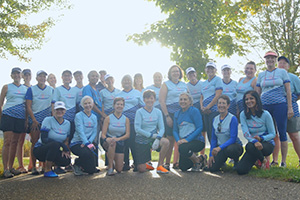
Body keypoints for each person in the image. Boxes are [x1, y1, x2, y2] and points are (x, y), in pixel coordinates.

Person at [256, 51, 293, 168]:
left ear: (275, 60)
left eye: (272, 58)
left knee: (282, 132)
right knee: (269, 133)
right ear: (265, 60)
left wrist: (290, 107)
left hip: (280, 105)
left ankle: (283, 161)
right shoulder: (261, 75)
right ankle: (269, 161)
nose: (270, 60)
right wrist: (257, 107)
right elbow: (257, 92)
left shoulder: (282, 72)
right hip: (265, 107)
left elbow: (288, 90)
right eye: (268, 58)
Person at [236, 91, 275, 175]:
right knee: (240, 170)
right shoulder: (243, 114)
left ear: (256, 99)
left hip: (266, 144)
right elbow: (246, 133)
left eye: (251, 98)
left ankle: (261, 160)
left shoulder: (265, 114)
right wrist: (255, 141)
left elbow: (272, 134)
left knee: (249, 146)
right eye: (246, 99)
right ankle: (262, 160)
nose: (248, 101)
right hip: (253, 146)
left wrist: (261, 139)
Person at [159, 65, 188, 170]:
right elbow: (162, 101)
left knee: (182, 138)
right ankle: (167, 163)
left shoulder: (184, 85)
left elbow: (188, 99)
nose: (176, 73)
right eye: (173, 72)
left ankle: (180, 162)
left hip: (182, 114)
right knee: (170, 139)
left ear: (180, 73)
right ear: (170, 74)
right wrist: (167, 116)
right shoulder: (166, 85)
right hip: (170, 114)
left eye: (177, 71)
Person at [0, 67, 27, 178]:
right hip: (8, 116)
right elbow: (0, 103)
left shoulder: (25, 88)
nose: (16, 75)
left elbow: (27, 104)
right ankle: (5, 168)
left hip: (20, 118)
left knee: (15, 142)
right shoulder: (6, 87)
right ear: (11, 75)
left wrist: (26, 120)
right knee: (7, 141)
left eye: (18, 74)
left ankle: (11, 167)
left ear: (21, 76)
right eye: (14, 74)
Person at [26, 70, 54, 175]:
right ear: (36, 78)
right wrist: (33, 120)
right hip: (35, 121)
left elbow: (52, 106)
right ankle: (33, 167)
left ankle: (43, 166)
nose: (42, 78)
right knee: (34, 142)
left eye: (44, 76)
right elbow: (28, 106)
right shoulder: (31, 89)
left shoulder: (51, 90)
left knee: (45, 143)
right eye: (40, 76)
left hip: (47, 121)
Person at [135, 90, 169, 174]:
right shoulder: (139, 112)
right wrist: (151, 136)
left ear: (154, 99)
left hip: (154, 138)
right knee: (141, 170)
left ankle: (160, 166)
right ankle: (146, 163)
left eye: (151, 98)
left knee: (166, 142)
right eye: (147, 98)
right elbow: (137, 129)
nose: (149, 100)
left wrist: (158, 138)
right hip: (142, 140)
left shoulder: (158, 111)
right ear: (144, 100)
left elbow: (162, 128)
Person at [33, 101, 71, 178]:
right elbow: (44, 139)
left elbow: (66, 139)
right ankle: (47, 170)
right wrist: (61, 145)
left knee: (66, 160)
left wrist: (65, 149)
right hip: (40, 149)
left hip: (54, 149)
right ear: (53, 111)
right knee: (55, 144)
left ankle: (56, 167)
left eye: (62, 109)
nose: (59, 111)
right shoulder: (48, 120)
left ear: (65, 111)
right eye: (57, 109)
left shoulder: (67, 123)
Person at [208, 95, 243, 172]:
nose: (221, 105)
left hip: (233, 146)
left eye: (224, 103)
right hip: (221, 148)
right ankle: (222, 162)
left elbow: (233, 138)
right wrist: (211, 155)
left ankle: (236, 161)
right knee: (212, 168)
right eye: (219, 103)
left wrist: (220, 148)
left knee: (231, 149)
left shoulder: (232, 118)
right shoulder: (215, 119)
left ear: (228, 106)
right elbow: (213, 139)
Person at [276, 56, 300, 166]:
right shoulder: (274, 77)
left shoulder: (293, 77)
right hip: (276, 109)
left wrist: (292, 101)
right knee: (276, 135)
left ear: (288, 66)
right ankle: (276, 161)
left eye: (284, 63)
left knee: (294, 135)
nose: (282, 65)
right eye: (280, 63)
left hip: (292, 109)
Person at [117, 75, 144, 171]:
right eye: (124, 80)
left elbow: (142, 106)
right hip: (122, 123)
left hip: (134, 122)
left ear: (131, 82)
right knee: (125, 143)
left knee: (134, 143)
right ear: (122, 82)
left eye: (128, 80)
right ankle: (125, 164)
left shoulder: (137, 93)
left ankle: (136, 163)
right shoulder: (119, 94)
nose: (126, 82)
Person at [173, 93, 205, 172]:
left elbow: (199, 127)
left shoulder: (194, 111)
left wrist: (187, 139)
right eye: (181, 99)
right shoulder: (177, 114)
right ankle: (201, 158)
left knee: (183, 148)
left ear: (190, 102)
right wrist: (178, 140)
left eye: (185, 99)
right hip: (184, 143)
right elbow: (175, 130)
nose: (182, 101)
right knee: (183, 167)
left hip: (197, 141)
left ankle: (197, 162)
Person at [101, 97, 130, 175]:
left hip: (120, 141)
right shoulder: (108, 118)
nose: (119, 106)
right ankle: (110, 167)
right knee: (112, 143)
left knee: (119, 169)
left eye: (121, 104)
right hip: (108, 141)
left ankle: (112, 158)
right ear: (114, 105)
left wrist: (118, 139)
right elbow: (103, 134)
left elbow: (127, 135)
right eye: (117, 104)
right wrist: (107, 139)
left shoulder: (126, 119)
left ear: (123, 106)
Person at [70, 96, 98, 175]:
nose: (87, 105)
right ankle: (77, 164)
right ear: (82, 105)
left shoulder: (94, 117)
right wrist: (86, 143)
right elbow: (80, 131)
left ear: (92, 104)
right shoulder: (78, 116)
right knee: (85, 152)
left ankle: (86, 166)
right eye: (85, 103)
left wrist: (89, 142)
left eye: (89, 103)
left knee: (91, 171)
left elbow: (94, 132)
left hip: (88, 143)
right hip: (77, 143)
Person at [200, 62, 223, 144]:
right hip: (205, 112)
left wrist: (208, 107)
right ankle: (213, 152)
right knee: (209, 133)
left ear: (215, 70)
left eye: (212, 68)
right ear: (205, 70)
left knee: (215, 133)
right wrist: (202, 107)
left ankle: (218, 153)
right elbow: (202, 96)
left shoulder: (218, 79)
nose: (210, 70)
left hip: (214, 111)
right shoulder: (203, 83)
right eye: (208, 68)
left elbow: (218, 95)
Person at [186, 67, 206, 157]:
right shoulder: (186, 86)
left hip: (202, 109)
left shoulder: (202, 84)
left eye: (193, 73)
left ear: (196, 74)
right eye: (189, 74)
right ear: (187, 76)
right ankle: (195, 153)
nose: (192, 75)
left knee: (203, 132)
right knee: (193, 131)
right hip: (192, 111)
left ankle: (202, 154)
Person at [16, 68, 32, 173]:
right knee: (20, 141)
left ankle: (33, 164)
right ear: (22, 76)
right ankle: (21, 166)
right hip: (22, 117)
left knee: (35, 141)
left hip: (33, 117)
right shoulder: (21, 88)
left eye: (28, 75)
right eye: (25, 75)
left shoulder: (33, 88)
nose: (26, 76)